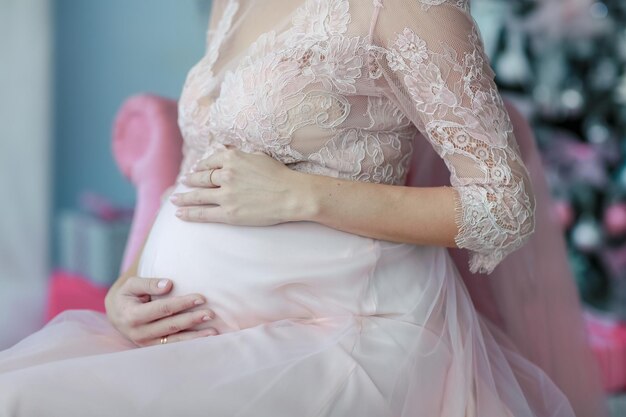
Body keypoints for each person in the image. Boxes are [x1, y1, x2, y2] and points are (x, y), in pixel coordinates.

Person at [0, 1, 608, 416]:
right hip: (189, 334)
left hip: (341, 338)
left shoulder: (410, 7)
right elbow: (198, 172)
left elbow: (504, 204)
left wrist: (304, 196)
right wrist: (125, 288)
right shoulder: (231, 2)